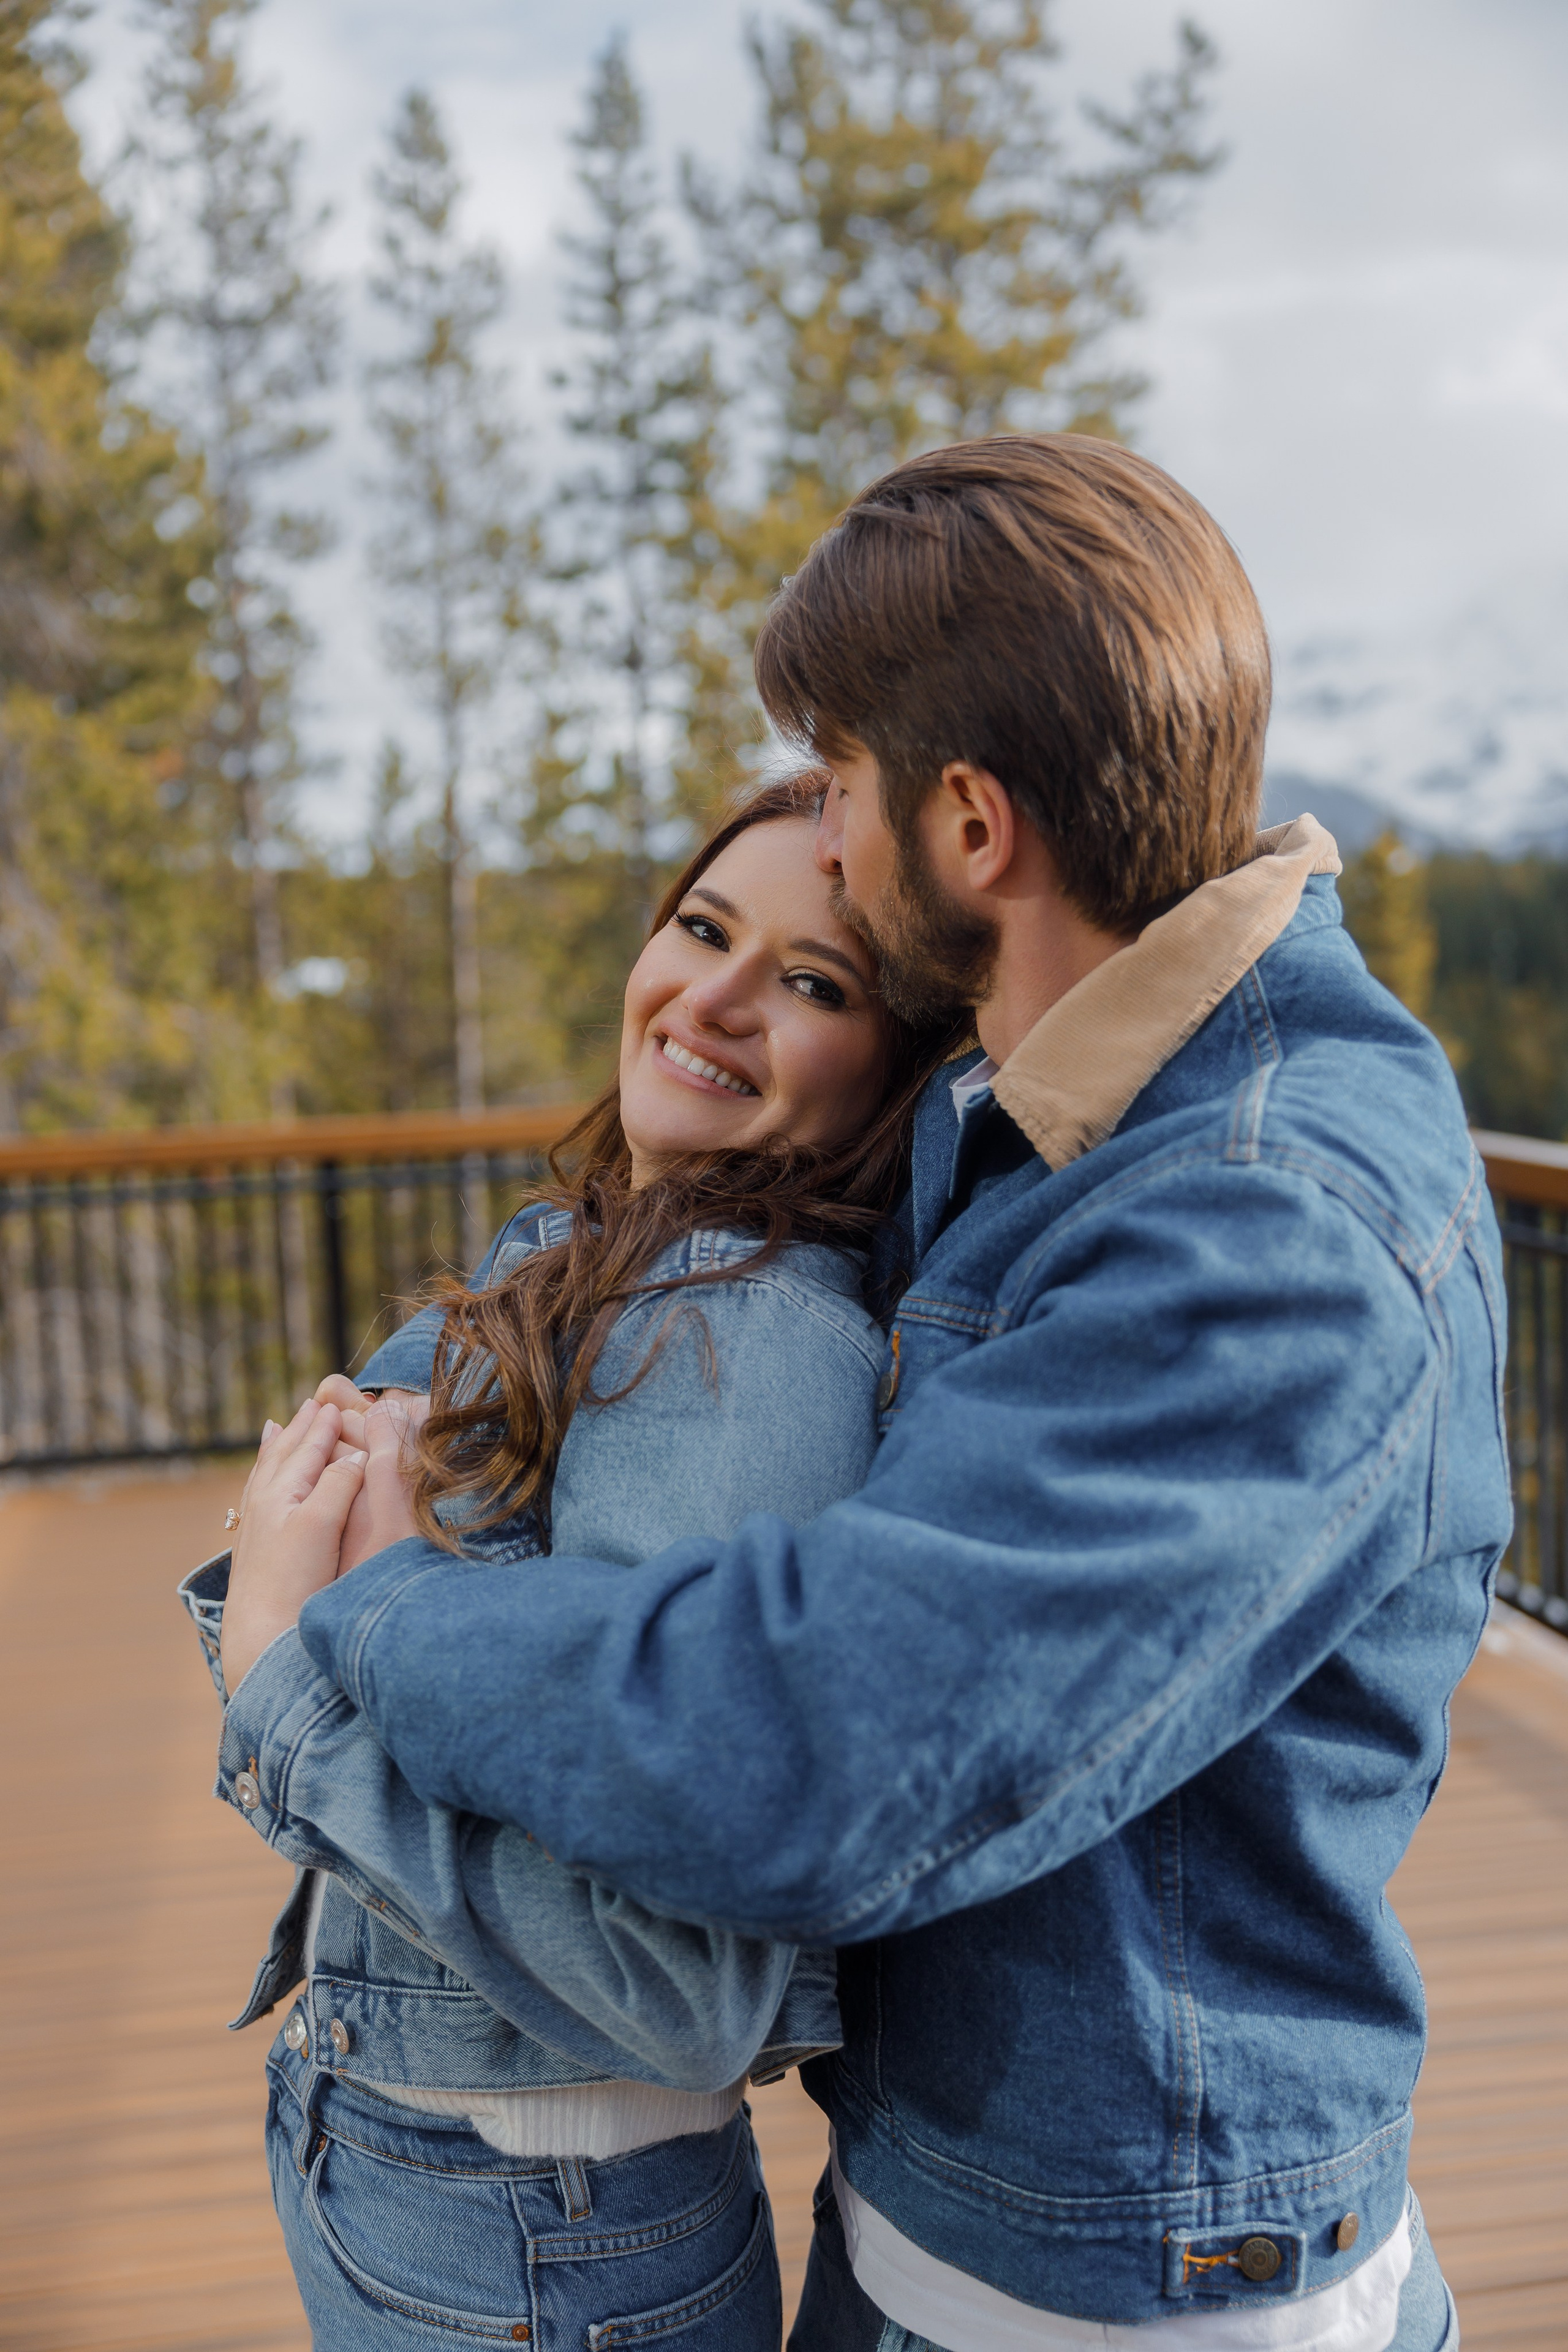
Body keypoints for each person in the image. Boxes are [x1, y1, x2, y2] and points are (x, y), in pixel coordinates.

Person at [225, 435, 1509, 2352]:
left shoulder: (1263, 1226)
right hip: (964, 2209)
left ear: (971, 829)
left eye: (842, 789)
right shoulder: (1068, 1089)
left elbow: (814, 1748)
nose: (820, 832)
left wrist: (360, 1617)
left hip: (1113, 2292)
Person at [180, 772, 964, 2351]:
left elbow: (684, 1991)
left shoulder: (738, 1342)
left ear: (891, 1067)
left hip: (534, 2233)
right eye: (703, 927)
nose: (716, 999)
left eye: (813, 982)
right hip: (455, 2186)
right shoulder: (588, 1253)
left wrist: (291, 1668)